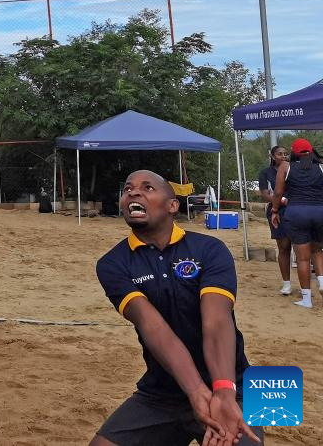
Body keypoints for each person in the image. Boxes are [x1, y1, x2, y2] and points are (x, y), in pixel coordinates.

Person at [92, 170, 262, 446]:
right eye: (127, 189)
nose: (133, 193)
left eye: (148, 188)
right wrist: (196, 392)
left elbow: (216, 321)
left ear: (172, 206)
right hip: (163, 393)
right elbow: (153, 327)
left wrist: (222, 391)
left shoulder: (209, 249)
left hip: (233, 386)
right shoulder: (113, 264)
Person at [272, 137, 323, 309]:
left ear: (293, 152)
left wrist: (274, 211)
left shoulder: (286, 167)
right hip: (320, 212)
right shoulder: (321, 166)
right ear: (311, 152)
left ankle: (307, 299)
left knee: (302, 258)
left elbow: (278, 193)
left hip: (297, 212)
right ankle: (322, 282)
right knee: (317, 250)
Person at [257, 145, 291, 294]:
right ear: (272, 156)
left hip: (294, 210)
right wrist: (280, 200)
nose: (283, 156)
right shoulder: (265, 173)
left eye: (285, 154)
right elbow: (265, 194)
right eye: (279, 154)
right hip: (276, 210)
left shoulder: (293, 170)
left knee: (301, 247)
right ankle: (287, 284)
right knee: (283, 247)